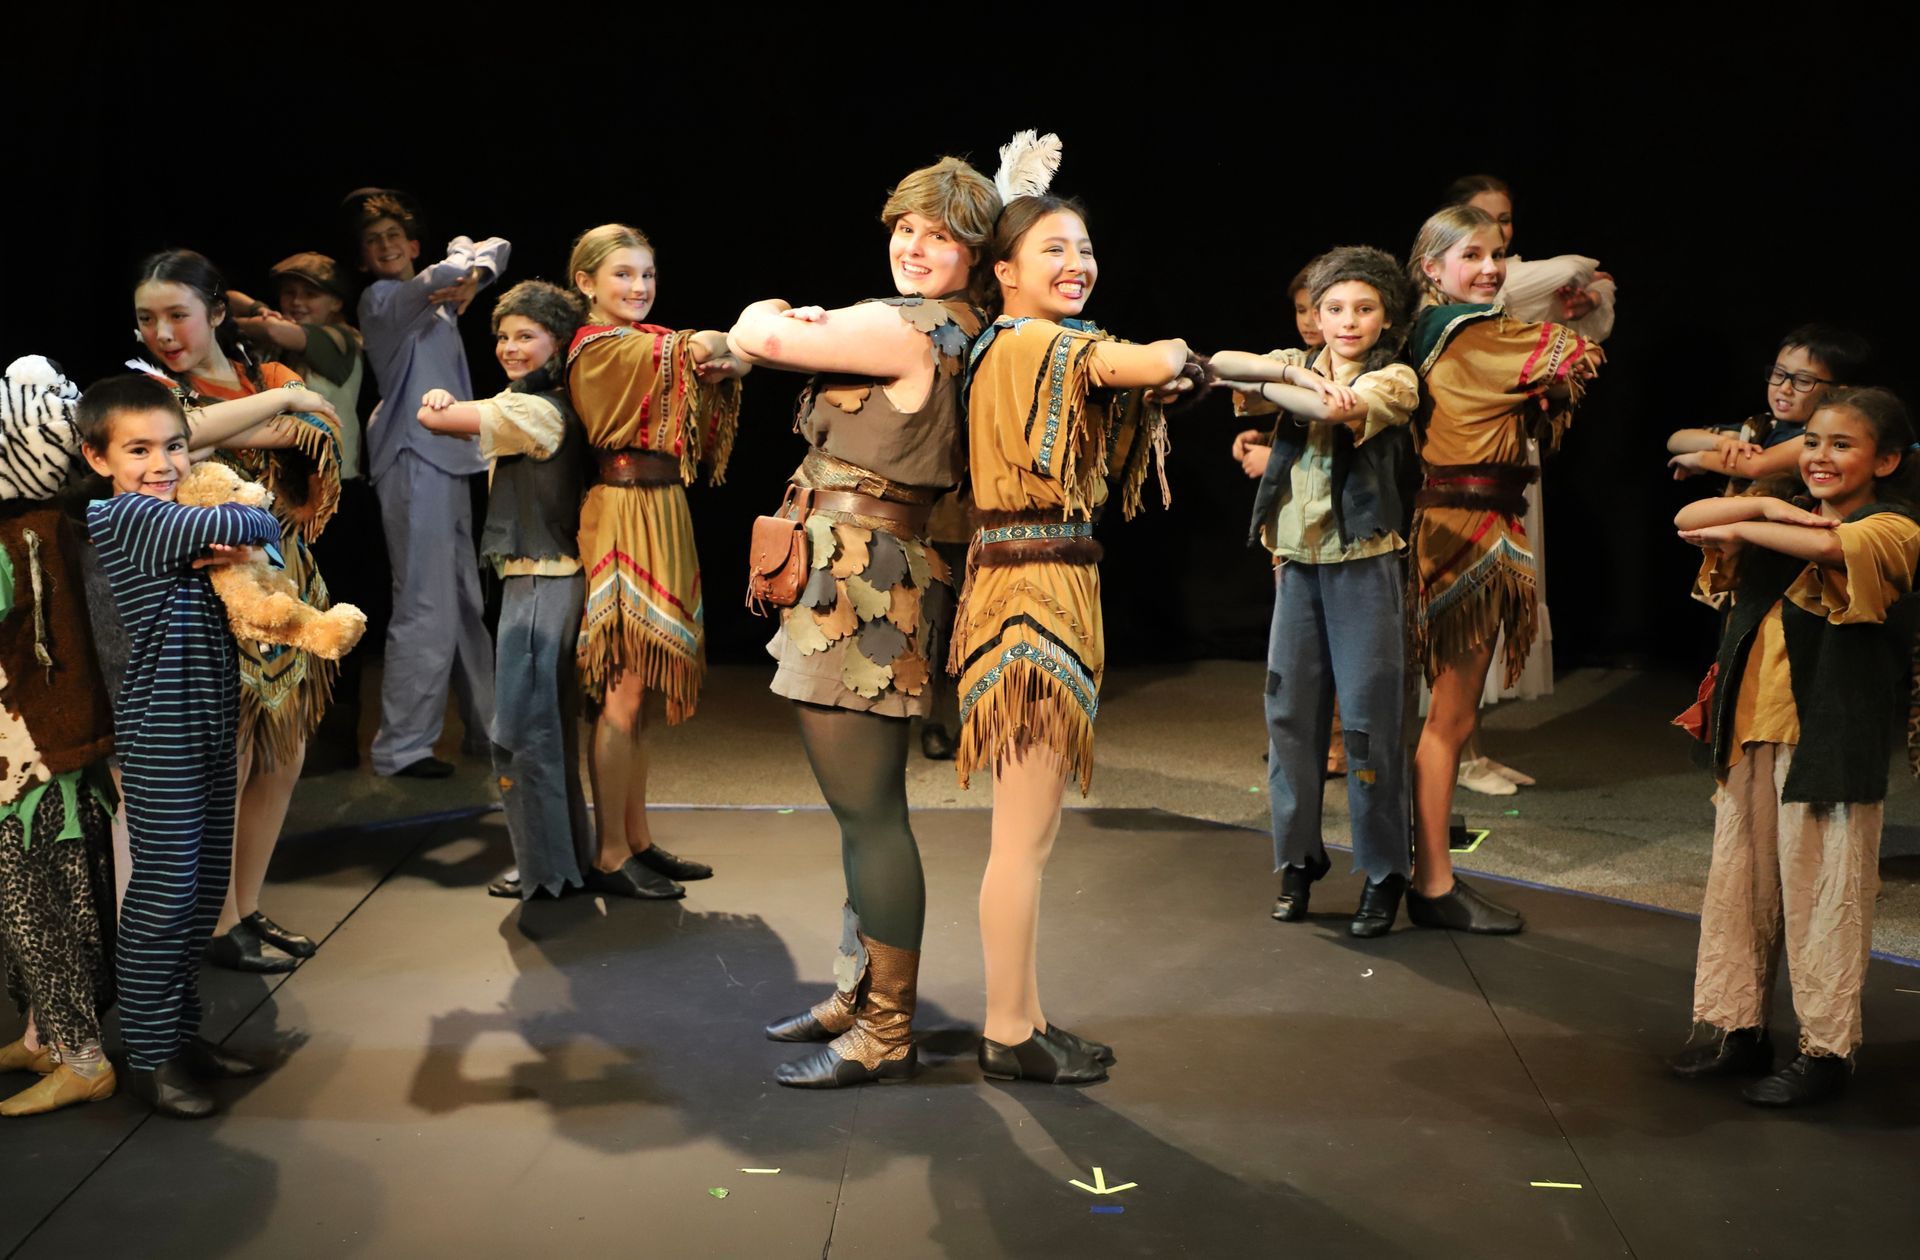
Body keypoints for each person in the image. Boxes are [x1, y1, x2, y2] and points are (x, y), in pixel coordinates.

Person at [727, 155, 998, 1087]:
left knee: (870, 815)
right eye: (905, 229)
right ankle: (859, 991)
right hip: (862, 572)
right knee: (862, 815)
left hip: (863, 583)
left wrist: (772, 312)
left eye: (941, 236)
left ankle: (885, 1029)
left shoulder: (910, 327)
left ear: (975, 254)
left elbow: (751, 338)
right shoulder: (940, 325)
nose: (914, 248)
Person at [955, 145, 1199, 1084]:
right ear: (1005, 271)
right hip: (1030, 589)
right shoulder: (1035, 343)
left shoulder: (1010, 345)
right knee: (1022, 839)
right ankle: (1008, 1031)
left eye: (1085, 248)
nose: (1077, 265)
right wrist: (1189, 363)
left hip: (1037, 578)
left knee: (1032, 837)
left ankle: (1024, 1016)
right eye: (1053, 248)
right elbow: (1151, 356)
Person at [1669, 387, 1920, 1107]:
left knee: (1824, 895)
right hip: (1751, 732)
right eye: (1812, 441)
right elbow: (1690, 517)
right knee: (1739, 888)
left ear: (1887, 460)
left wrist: (1755, 522)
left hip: (1828, 744)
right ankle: (1740, 1029)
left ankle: (1826, 1051)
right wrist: (1770, 506)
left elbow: (1830, 547)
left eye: (1844, 445)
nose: (1820, 456)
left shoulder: (1894, 530)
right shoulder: (1785, 514)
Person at [134, 249, 348, 974]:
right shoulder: (150, 385)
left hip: (288, 582)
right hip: (211, 595)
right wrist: (281, 411)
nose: (162, 332)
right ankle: (218, 921)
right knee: (230, 758)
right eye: (147, 319)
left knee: (282, 755)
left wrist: (254, 419)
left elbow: (327, 435)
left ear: (217, 314)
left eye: (177, 316)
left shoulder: (261, 374)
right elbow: (173, 436)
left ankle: (247, 906)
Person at [79, 374, 283, 1118]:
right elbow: (259, 524)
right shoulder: (122, 514)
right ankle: (150, 1053)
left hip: (206, 720)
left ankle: (181, 1035)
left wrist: (241, 528)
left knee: (199, 896)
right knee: (163, 896)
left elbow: (274, 533)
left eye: (174, 445)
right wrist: (234, 527)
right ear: (98, 458)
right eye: (139, 449)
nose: (162, 463)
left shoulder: (174, 511)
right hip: (159, 728)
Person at [1404, 205, 1602, 934]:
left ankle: (1429, 872)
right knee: (1449, 720)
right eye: (1475, 257)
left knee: (1446, 720)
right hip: (1469, 528)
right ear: (1432, 269)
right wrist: (1558, 308)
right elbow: (1575, 354)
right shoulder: (1472, 330)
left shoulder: (1437, 331)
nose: (1492, 269)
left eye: (1497, 254)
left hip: (1459, 519)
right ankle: (1433, 882)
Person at [1212, 246, 1420, 936]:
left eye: (1363, 308)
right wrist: (1282, 373)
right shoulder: (1296, 365)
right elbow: (1221, 365)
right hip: (1296, 566)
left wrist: (1292, 387)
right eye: (1333, 308)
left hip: (1363, 566)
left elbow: (1336, 413)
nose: (1347, 321)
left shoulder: (1396, 378)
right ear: (1315, 315)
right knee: (1291, 721)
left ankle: (1385, 870)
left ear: (1386, 314)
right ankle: (1298, 861)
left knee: (1366, 725)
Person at [565, 224, 744, 896]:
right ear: (586, 284)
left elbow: (704, 360)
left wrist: (731, 360)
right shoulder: (600, 345)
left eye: (647, 276)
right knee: (621, 689)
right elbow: (700, 349)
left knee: (637, 698)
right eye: (623, 276)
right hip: (624, 511)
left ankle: (637, 838)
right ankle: (610, 853)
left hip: (659, 506)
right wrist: (754, 336)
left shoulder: (643, 342)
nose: (638, 288)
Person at [1440, 176, 1621, 787]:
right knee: (1467, 609)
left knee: (1497, 607)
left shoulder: (1501, 296)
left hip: (1515, 460)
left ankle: (1472, 749)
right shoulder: (1463, 302)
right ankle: (1456, 756)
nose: (1498, 242)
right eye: (1480, 227)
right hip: (1466, 474)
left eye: (1506, 224)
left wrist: (1580, 313)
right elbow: (1578, 266)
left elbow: (1590, 332)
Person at [416, 281, 591, 900]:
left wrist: (436, 401)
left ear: (558, 343)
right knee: (543, 726)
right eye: (503, 336)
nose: (510, 348)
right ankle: (563, 860)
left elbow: (433, 420)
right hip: (537, 580)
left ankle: (546, 869)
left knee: (520, 731)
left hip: (544, 582)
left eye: (526, 336)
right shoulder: (528, 402)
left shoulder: (539, 410)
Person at [350, 190, 507, 780]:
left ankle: (488, 730)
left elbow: (500, 248)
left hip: (448, 456)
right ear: (366, 260)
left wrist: (477, 274)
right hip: (412, 453)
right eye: (374, 241)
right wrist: (466, 270)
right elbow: (449, 269)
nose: (386, 246)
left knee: (464, 598)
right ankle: (403, 747)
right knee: (424, 600)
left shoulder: (442, 302)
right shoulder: (384, 298)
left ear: (412, 243)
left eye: (395, 236)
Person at [0, 355, 118, 1117]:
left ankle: (82, 1054)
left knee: (37, 906)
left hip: (33, 756)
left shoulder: (24, 538)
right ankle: (46, 1035)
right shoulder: (51, 525)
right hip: (43, 747)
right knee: (46, 902)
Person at [231, 252, 380, 773]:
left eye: (309, 294)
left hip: (340, 502)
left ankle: (335, 742)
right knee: (289, 610)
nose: (296, 304)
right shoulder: (277, 344)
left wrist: (228, 313)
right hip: (291, 502)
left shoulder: (342, 340)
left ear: (337, 302)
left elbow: (279, 331)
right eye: (288, 293)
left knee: (336, 615)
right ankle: (288, 734)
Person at [1667, 325, 1872, 492]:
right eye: (1779, 374)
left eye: (1802, 380)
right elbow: (1677, 440)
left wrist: (1700, 459)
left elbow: (1757, 466)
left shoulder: (1817, 438)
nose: (1784, 388)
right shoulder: (1762, 426)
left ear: (1838, 391)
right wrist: (1721, 443)